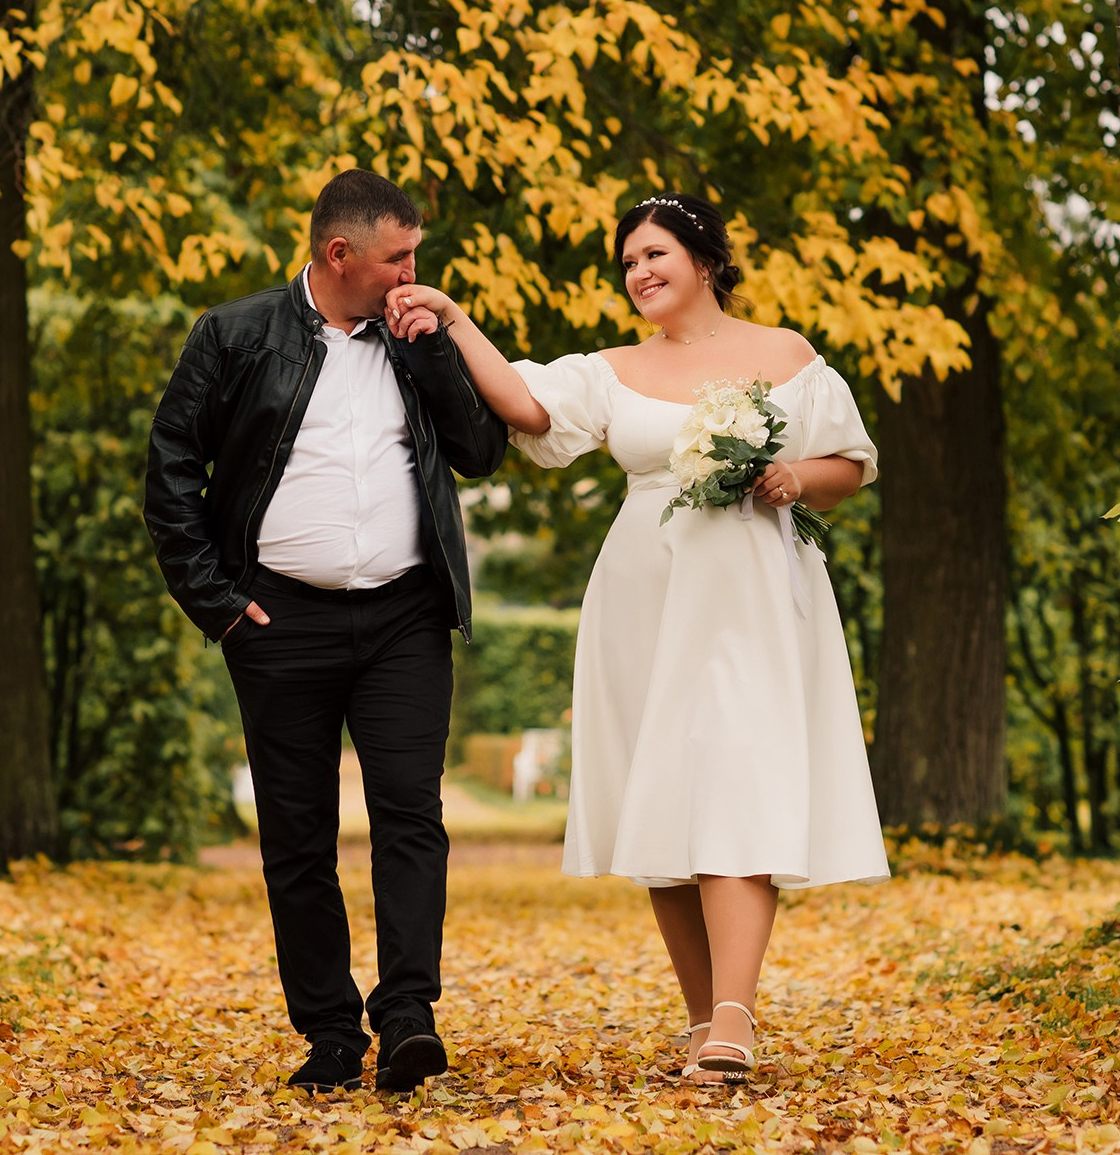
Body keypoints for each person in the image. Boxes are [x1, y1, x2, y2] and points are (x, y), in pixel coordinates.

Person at [387, 192, 887, 1085]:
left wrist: (791, 476)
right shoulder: (611, 369)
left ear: (705, 258)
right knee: (662, 795)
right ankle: (703, 1023)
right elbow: (524, 407)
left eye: (655, 253)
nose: (640, 272)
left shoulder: (788, 355)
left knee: (736, 784)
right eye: (628, 262)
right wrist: (455, 319)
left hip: (751, 597)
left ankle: (734, 1019)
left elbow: (849, 463)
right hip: (643, 599)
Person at [143, 169, 508, 1094]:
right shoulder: (235, 335)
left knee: (410, 816)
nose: (413, 273)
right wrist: (218, 602)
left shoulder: (416, 336)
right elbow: (171, 468)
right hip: (278, 620)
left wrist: (436, 350)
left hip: (405, 617)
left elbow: (481, 450)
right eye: (399, 259)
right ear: (339, 254)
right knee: (297, 835)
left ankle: (409, 1015)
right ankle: (331, 1034)